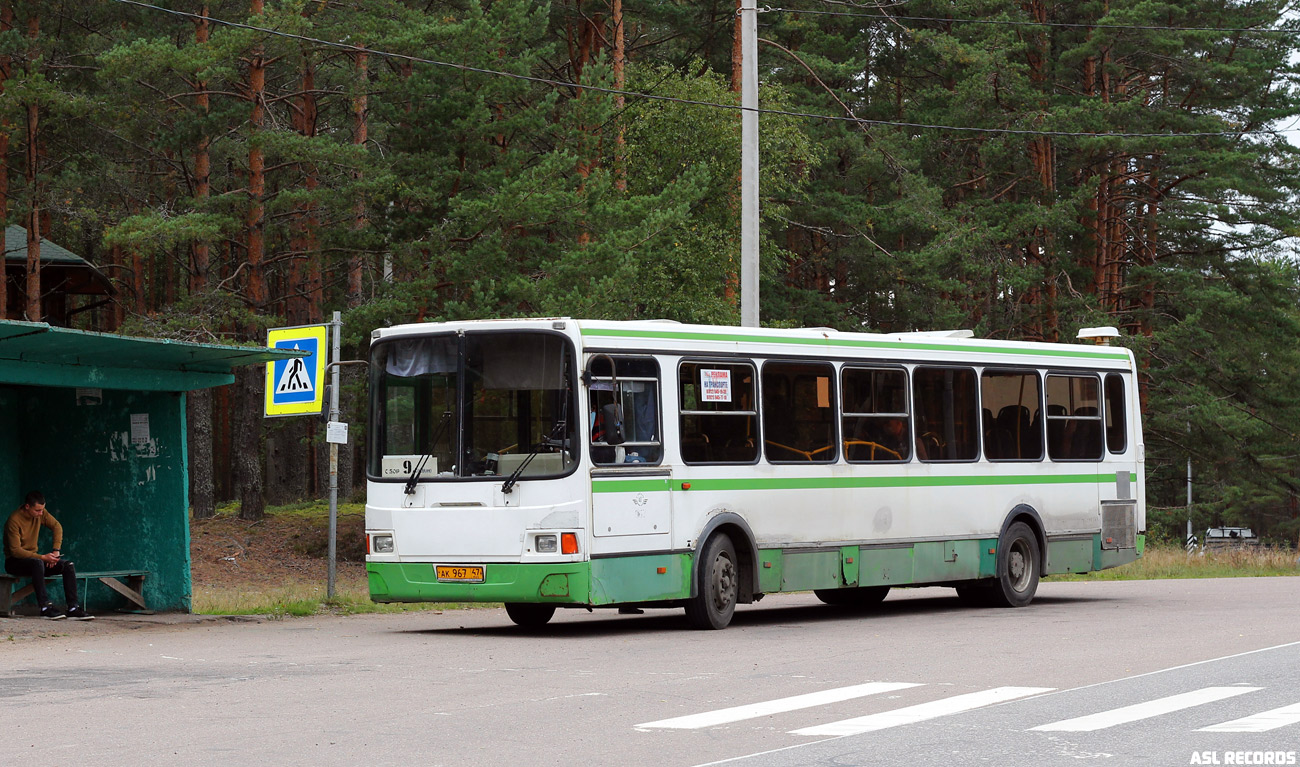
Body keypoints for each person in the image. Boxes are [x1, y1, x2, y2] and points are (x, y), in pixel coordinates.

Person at [3, 491, 94, 620]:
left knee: (68, 565)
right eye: (38, 510)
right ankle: (45, 607)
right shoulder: (14, 520)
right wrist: (43, 558)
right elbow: (16, 551)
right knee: (37, 562)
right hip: (15, 562)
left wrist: (56, 551)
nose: (41, 514)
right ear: (27, 506)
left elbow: (57, 526)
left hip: (35, 561)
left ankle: (73, 608)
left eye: (42, 510)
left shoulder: (41, 513)